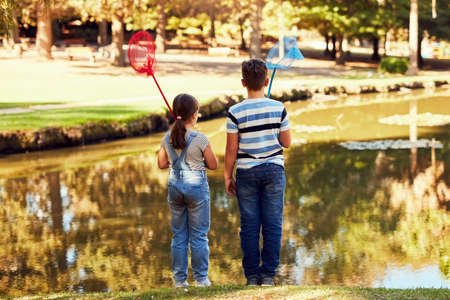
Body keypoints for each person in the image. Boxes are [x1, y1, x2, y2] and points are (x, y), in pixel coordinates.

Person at [224, 58, 291, 286]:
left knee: (250, 225)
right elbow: (287, 142)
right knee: (272, 224)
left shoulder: (235, 112)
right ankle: (269, 275)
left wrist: (227, 176)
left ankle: (252, 275)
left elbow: (231, 148)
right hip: (273, 170)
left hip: (246, 173)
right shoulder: (278, 108)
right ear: (267, 81)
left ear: (243, 82)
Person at [158, 93, 218, 288]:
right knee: (199, 235)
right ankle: (201, 280)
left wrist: (171, 153)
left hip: (175, 186)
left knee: (179, 235)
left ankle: (179, 281)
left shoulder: (167, 137)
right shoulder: (200, 138)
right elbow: (214, 164)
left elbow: (161, 163)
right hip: (196, 187)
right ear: (194, 115)